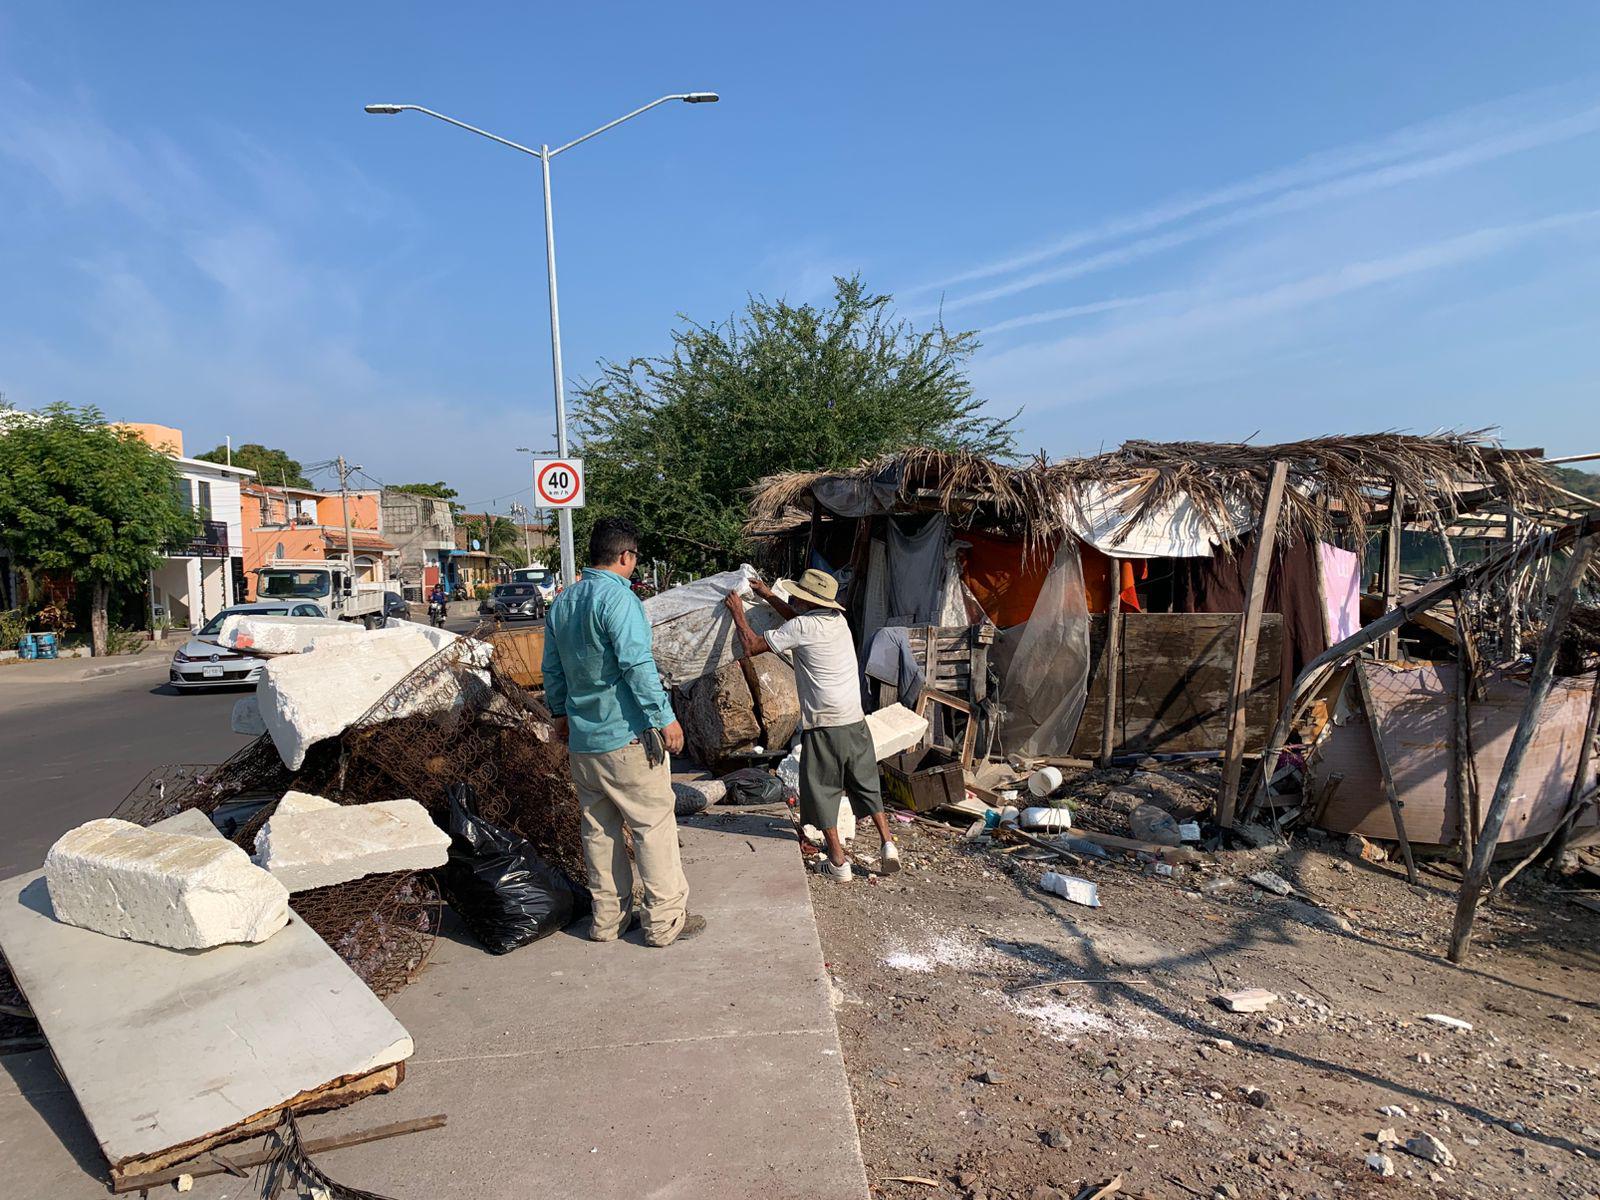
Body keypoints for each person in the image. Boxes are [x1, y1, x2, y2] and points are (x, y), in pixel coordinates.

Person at [542, 517, 704, 947]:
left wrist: (560, 715)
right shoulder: (619, 598)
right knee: (653, 827)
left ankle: (607, 922)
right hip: (626, 738)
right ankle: (664, 922)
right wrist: (664, 717)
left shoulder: (564, 602)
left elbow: (552, 669)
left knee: (599, 832)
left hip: (584, 742)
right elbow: (636, 664)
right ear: (626, 556)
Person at [725, 568, 900, 882]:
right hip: (854, 719)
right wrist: (768, 595)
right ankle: (888, 844)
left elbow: (751, 645)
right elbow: (797, 621)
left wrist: (738, 611)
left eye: (798, 596)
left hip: (824, 724)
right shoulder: (837, 621)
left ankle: (838, 862)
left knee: (821, 790)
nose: (794, 599)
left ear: (807, 601)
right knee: (866, 783)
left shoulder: (802, 626)